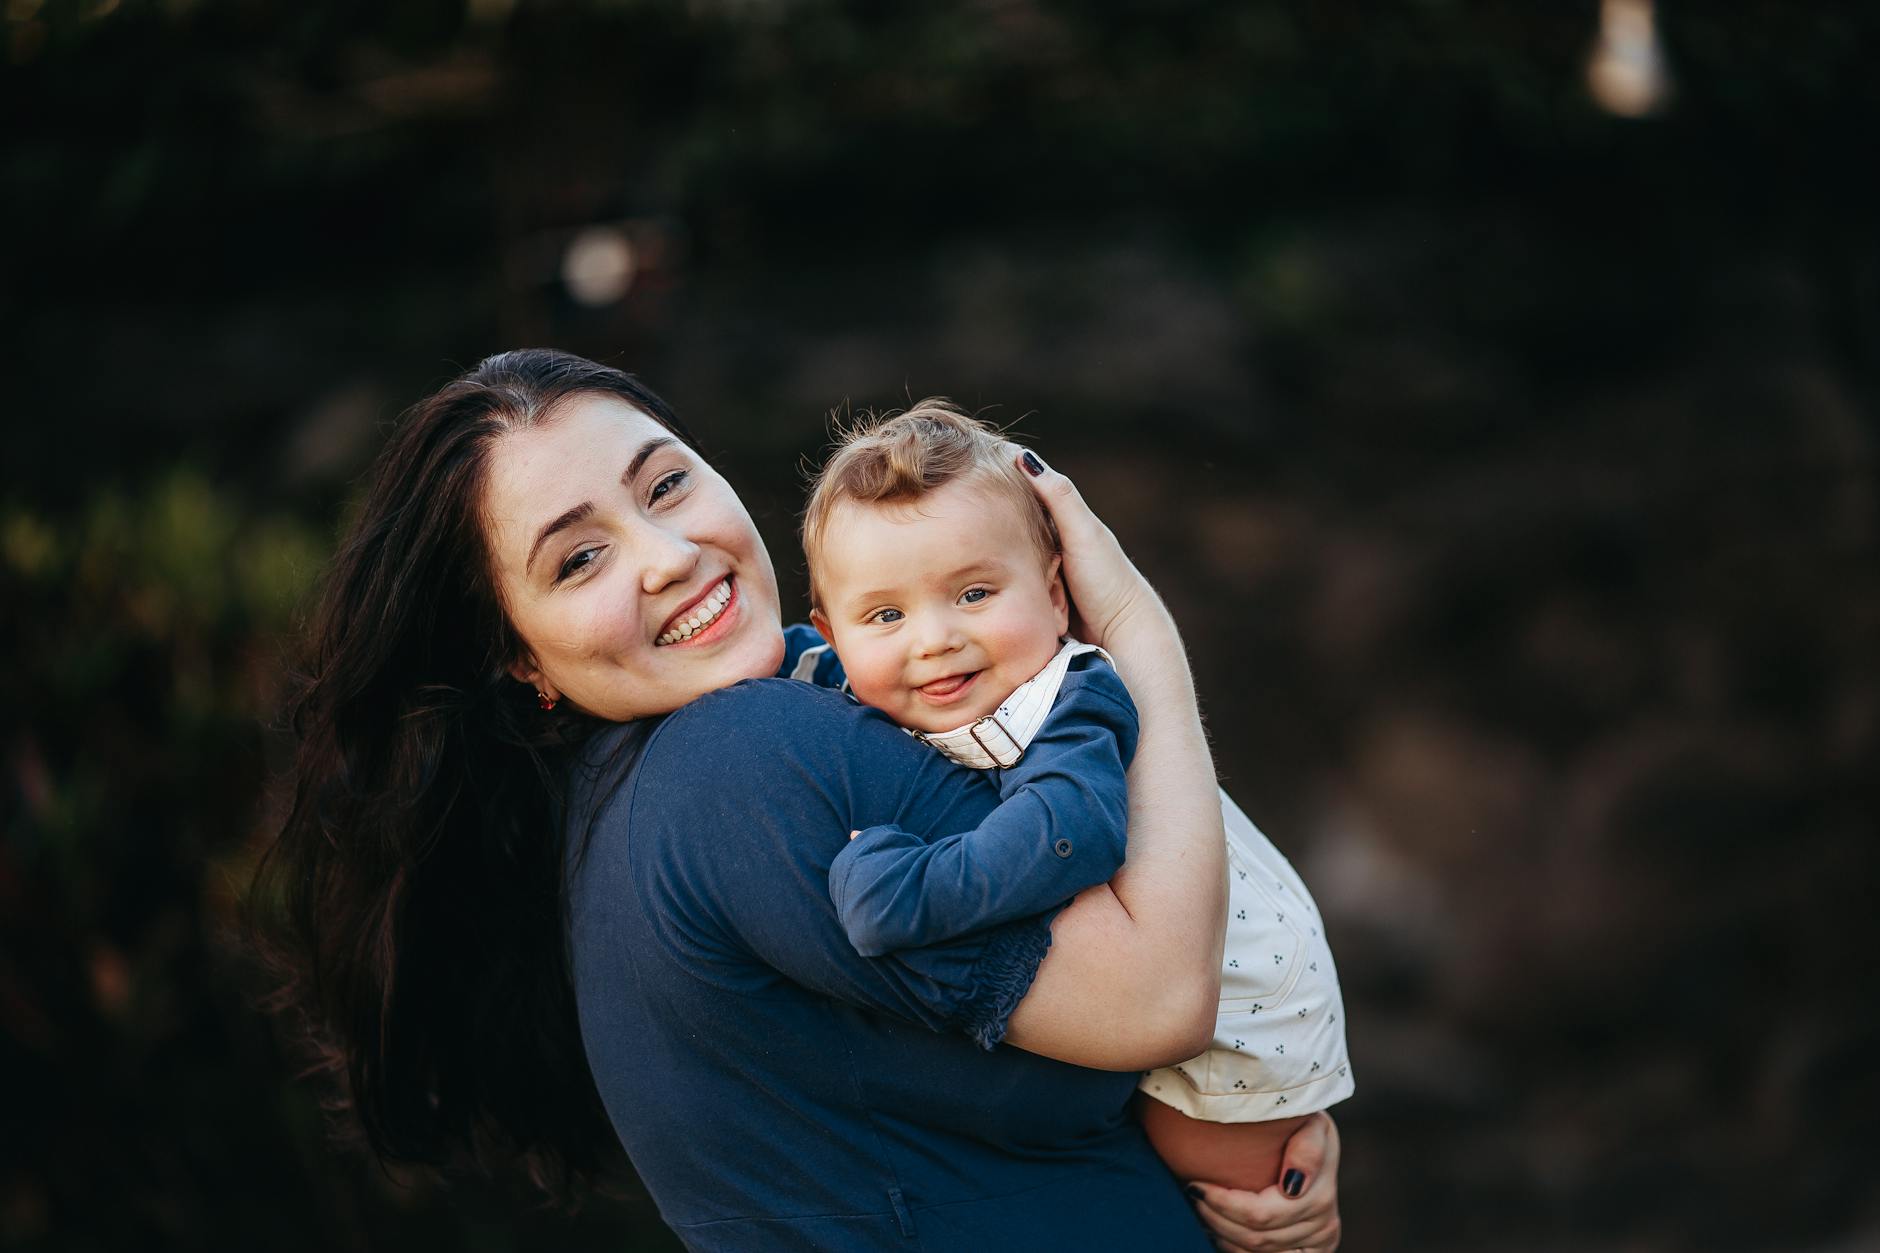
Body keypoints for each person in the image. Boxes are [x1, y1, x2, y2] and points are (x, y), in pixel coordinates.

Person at [246, 349, 1344, 1252]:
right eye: (579, 559)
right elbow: (1158, 997)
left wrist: (1259, 1125)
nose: (667, 554)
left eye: (665, 484)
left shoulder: (641, 787)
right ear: (520, 657)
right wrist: (1136, 627)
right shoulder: (741, 760)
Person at [800, 401, 1355, 1194]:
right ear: (833, 635)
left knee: (1233, 1208)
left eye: (974, 593)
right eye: (886, 614)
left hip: (1247, 1007)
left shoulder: (1072, 698)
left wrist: (915, 890)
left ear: (1056, 596)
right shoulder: (854, 677)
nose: (934, 638)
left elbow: (1071, 831)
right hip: (1155, 976)